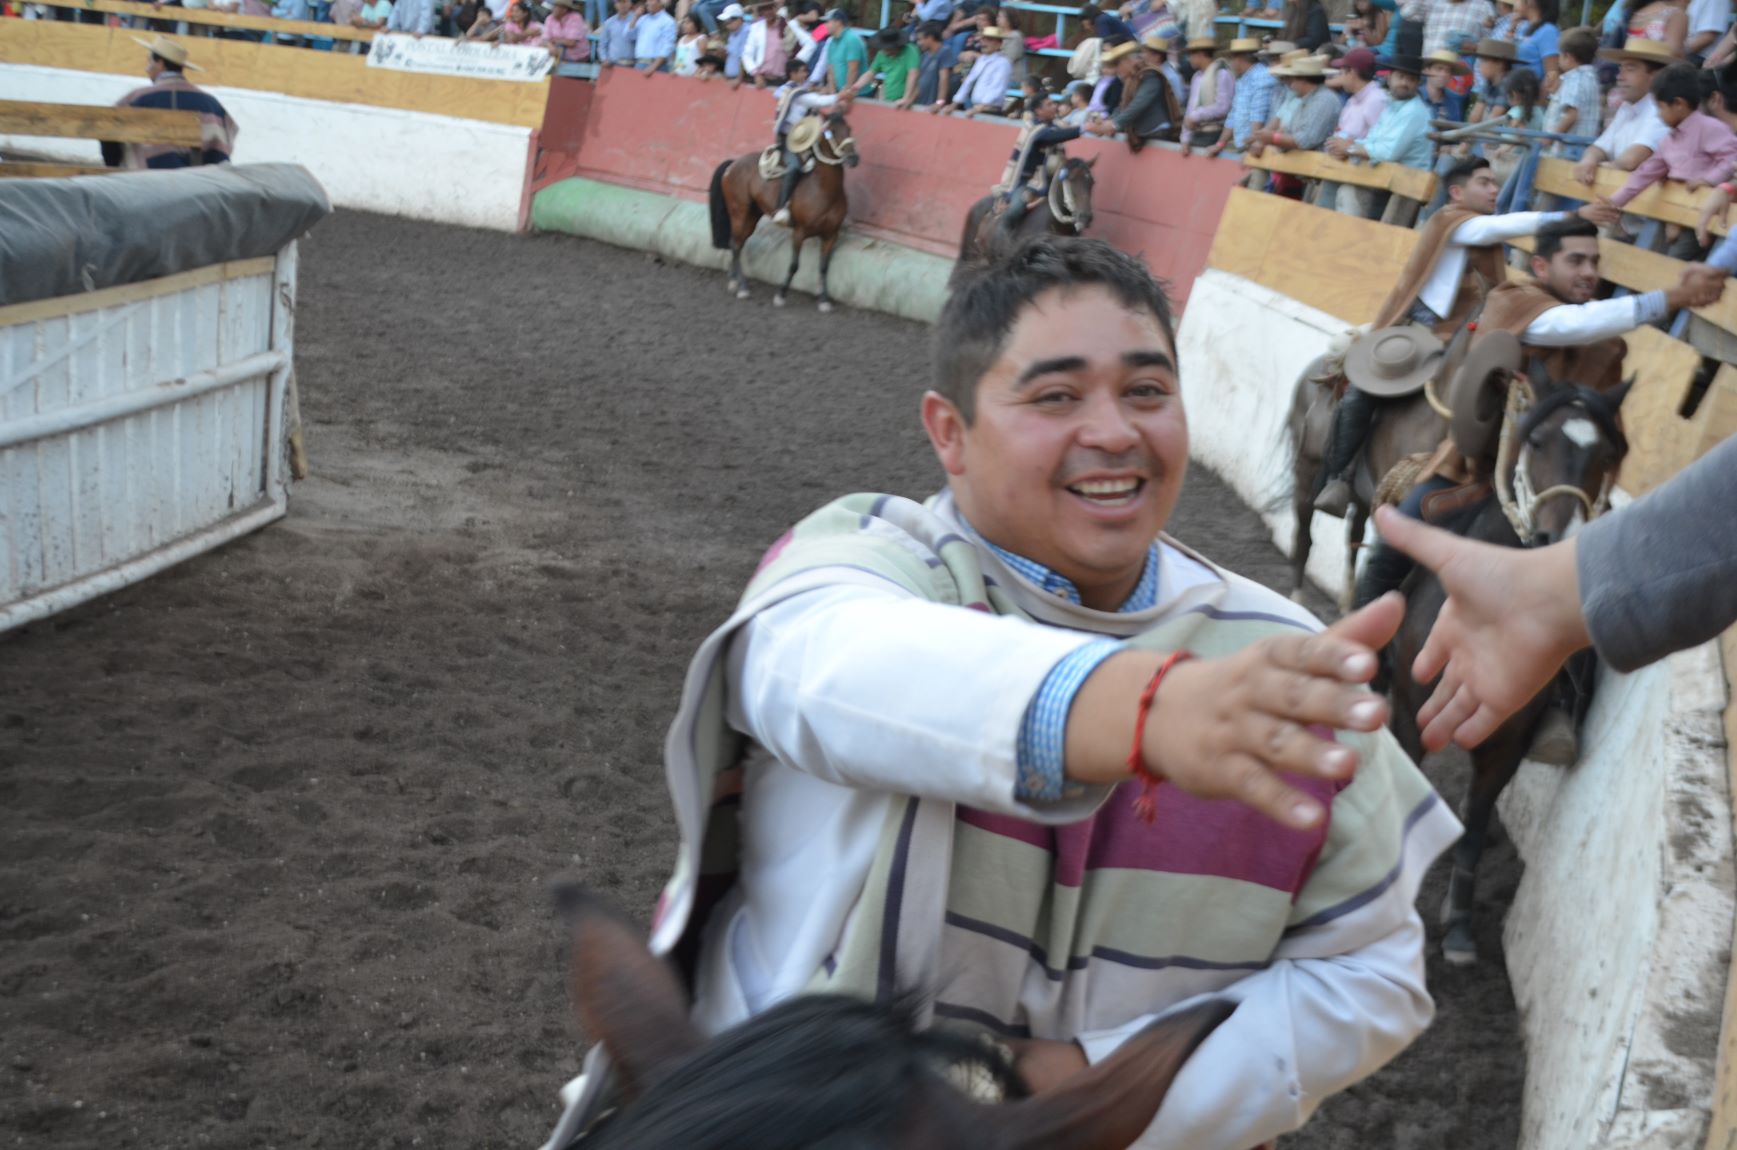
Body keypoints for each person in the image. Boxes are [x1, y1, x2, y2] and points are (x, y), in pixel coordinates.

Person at [540, 235, 1464, 1150]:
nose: (1113, 431)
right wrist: (1140, 709)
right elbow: (818, 666)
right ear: (949, 431)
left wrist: (1054, 1081)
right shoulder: (866, 558)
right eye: (1055, 396)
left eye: (1147, 391)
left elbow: (1371, 975)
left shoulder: (1281, 654)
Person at [1369, 433, 1737, 753]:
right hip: (1485, 472)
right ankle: (1367, 644)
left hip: (1560, 484)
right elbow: (1465, 418)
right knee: (1404, 524)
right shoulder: (1504, 354)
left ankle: (1565, 703)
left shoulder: (1602, 358)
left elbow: (1613, 445)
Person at [1313, 160, 1609, 516]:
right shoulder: (1452, 220)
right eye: (1483, 183)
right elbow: (1499, 227)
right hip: (1418, 329)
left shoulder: (1482, 232)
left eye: (1494, 183)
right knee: (1360, 388)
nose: (1494, 190)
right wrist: (1569, 217)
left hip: (1465, 335)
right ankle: (1338, 476)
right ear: (1457, 193)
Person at [1598, 63, 1737, 218]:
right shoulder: (1668, 140)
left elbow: (1732, 158)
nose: (1658, 115)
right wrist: (1615, 200)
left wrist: (1709, 180)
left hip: (1705, 210)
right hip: (1676, 209)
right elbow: (1646, 172)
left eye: (1660, 108)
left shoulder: (1711, 128)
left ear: (1678, 104)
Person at [106, 36, 237, 170]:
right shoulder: (210, 103)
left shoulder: (135, 99)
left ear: (160, 63)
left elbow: (107, 131)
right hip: (195, 183)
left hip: (147, 180)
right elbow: (225, 140)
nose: (147, 68)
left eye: (149, 62)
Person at [1325, 56, 1433, 217]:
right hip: (1385, 179)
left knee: (1346, 190)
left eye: (1411, 79)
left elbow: (1388, 152)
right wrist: (1343, 148)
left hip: (1404, 187)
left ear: (1417, 84)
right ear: (1389, 79)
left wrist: (1349, 148)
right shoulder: (1391, 106)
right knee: (1333, 178)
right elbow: (1372, 140)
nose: (1405, 83)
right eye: (1401, 77)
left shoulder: (1414, 111)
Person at [1573, 36, 1674, 181]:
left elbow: (1632, 160)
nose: (1620, 76)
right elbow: (1599, 147)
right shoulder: (1627, 107)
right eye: (1621, 69)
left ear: (1655, 76)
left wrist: (1598, 167)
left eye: (1630, 69)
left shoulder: (1661, 109)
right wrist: (1589, 160)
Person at [771, 57, 852, 224]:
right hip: (789, 140)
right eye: (802, 71)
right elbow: (816, 101)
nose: (805, 74)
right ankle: (781, 206)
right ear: (792, 74)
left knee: (828, 160)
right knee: (794, 167)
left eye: (805, 71)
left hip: (806, 137)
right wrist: (840, 95)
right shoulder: (794, 92)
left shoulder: (796, 90)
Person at [1085, 36, 1178, 147]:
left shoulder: (1150, 76)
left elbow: (1137, 104)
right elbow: (1123, 106)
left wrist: (1113, 124)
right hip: (1144, 132)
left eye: (1117, 64)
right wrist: (1108, 121)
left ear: (1127, 61)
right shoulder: (1133, 78)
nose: (1116, 69)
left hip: (1156, 132)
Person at [1249, 54, 1341, 158]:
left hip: (1316, 166)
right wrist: (1266, 137)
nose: (1291, 85)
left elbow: (1305, 140)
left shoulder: (1325, 100)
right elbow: (1289, 130)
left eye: (1294, 80)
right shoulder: (1307, 98)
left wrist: (1273, 137)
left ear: (1304, 80)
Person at [1212, 37, 1277, 157]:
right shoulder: (1242, 80)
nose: (1231, 63)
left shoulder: (1262, 77)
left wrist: (1255, 144)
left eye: (1232, 58)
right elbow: (1233, 114)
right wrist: (1220, 144)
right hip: (1247, 146)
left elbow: (1258, 114)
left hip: (1257, 149)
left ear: (1239, 58)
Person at [1543, 25, 1602, 155]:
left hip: (1567, 150)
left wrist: (1549, 139)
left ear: (1568, 57)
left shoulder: (1574, 79)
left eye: (1560, 55)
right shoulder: (1592, 79)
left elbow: (1571, 114)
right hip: (1583, 148)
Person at [942, 24, 1015, 114]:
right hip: (976, 107)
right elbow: (968, 82)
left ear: (999, 43)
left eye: (989, 40)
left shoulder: (1003, 63)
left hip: (990, 109)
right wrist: (954, 104)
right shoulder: (981, 60)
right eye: (983, 39)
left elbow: (997, 88)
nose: (984, 43)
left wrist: (982, 106)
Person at [1180, 35, 1234, 152]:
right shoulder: (1197, 77)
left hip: (1214, 133)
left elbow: (1223, 107)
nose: (1190, 59)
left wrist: (1196, 116)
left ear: (1200, 54)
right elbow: (1191, 107)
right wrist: (1185, 138)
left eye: (1191, 55)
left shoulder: (1222, 74)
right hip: (1197, 133)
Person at [854, 24, 919, 99]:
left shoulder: (910, 51)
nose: (885, 53)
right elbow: (871, 73)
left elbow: (913, 74)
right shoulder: (881, 54)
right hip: (887, 97)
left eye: (888, 49)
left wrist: (906, 98)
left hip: (906, 99)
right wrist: (856, 86)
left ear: (896, 46)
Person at [903, 20, 955, 107]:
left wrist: (939, 103)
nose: (918, 43)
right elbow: (920, 83)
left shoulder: (945, 52)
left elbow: (944, 79)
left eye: (920, 39)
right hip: (922, 105)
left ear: (930, 37)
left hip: (934, 108)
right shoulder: (924, 56)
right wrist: (910, 100)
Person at [1421, 0, 1495, 56]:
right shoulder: (1431, 3)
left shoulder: (1483, 6)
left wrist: (1472, 47)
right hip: (1429, 69)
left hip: (1462, 72)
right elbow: (1410, 15)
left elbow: (1491, 47)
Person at [1513, 0, 1559, 86]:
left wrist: (1540, 99)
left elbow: (1552, 74)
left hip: (1531, 93)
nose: (1514, 3)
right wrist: (1511, 28)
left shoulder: (1548, 31)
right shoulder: (1523, 27)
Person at [820, 7, 867, 90]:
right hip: (840, 93)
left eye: (827, 22)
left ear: (838, 22)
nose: (825, 26)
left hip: (857, 94)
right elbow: (831, 70)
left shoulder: (851, 39)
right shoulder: (832, 42)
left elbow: (853, 70)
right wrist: (833, 94)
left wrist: (846, 92)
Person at [540, 0, 594, 67]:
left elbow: (571, 42)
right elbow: (545, 39)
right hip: (557, 55)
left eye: (556, 7)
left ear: (564, 9)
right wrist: (550, 46)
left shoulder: (575, 18)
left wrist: (554, 40)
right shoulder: (550, 18)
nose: (553, 8)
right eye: (554, 6)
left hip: (578, 57)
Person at [1422, 47, 1471, 119]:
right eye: (1438, 69)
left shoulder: (1453, 105)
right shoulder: (1414, 97)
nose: (1443, 74)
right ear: (1426, 70)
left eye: (1448, 71)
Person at [634, 0, 678, 69]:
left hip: (658, 66)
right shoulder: (642, 19)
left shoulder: (668, 21)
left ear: (660, 3)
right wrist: (635, 17)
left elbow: (668, 46)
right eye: (647, 1)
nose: (647, 3)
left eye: (651, 0)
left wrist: (654, 66)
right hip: (639, 63)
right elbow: (629, 36)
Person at [717, 2, 749, 77]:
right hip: (730, 77)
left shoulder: (746, 32)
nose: (727, 25)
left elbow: (744, 57)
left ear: (738, 19)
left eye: (728, 22)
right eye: (726, 22)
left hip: (741, 80)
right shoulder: (732, 34)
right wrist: (723, 52)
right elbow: (731, 55)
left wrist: (739, 79)